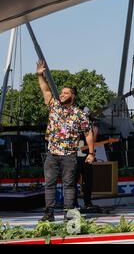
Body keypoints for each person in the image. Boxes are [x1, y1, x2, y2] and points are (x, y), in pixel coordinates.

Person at [36, 60, 94, 222]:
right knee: (49, 184)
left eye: (65, 93)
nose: (61, 95)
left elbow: (88, 133)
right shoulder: (54, 106)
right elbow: (45, 90)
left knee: (69, 185)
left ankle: (68, 214)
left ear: (73, 96)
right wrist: (40, 75)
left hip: (69, 155)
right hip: (52, 154)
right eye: (61, 93)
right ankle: (49, 213)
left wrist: (91, 152)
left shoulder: (79, 114)